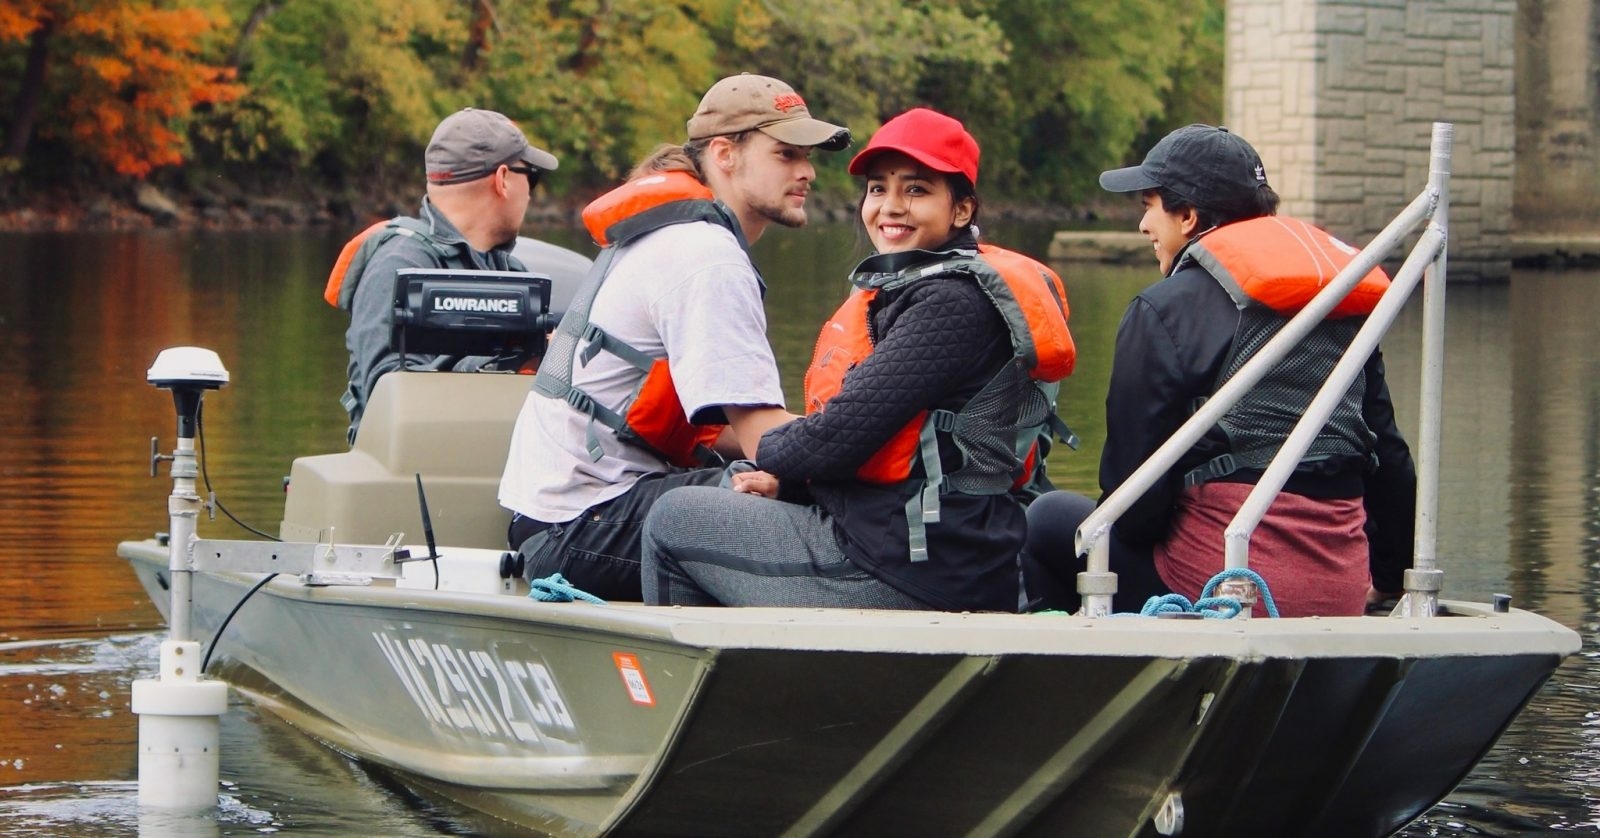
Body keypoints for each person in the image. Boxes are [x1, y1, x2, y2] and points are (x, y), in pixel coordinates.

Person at [639, 108, 1075, 613]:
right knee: (740, 486)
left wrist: (774, 454)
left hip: (909, 572)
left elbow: (835, 440)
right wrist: (792, 481)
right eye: (877, 189)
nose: (891, 207)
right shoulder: (920, 289)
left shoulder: (951, 305)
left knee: (674, 518)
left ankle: (717, 686)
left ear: (961, 210)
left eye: (916, 190)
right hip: (931, 554)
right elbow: (872, 442)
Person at [1021, 124, 1417, 617]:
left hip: (1223, 590)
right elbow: (1391, 464)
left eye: (1149, 206)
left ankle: (1084, 682)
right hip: (1337, 593)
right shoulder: (1339, 305)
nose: (1143, 226)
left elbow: (1132, 509)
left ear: (1187, 216)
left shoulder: (1162, 310)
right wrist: (1386, 581)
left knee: (1046, 520)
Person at [497, 74, 851, 600]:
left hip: (551, 518)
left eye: (808, 157)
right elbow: (765, 441)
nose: (807, 172)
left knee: (787, 477)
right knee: (833, 509)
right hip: (578, 528)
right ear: (725, 154)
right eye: (786, 155)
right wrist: (879, 460)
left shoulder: (676, 235)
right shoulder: (705, 255)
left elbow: (734, 433)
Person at [326, 107, 559, 444]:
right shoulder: (397, 265)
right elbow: (387, 395)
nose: (531, 192)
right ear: (503, 179)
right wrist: (505, 363)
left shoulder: (510, 272)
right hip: (415, 471)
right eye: (531, 177)